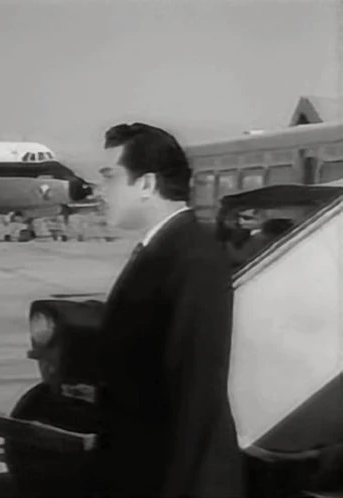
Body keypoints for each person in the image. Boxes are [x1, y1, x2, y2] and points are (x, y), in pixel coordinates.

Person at [94, 122, 245, 497]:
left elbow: (195, 397)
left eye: (109, 178)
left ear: (146, 184)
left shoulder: (192, 259)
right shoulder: (165, 248)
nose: (99, 192)